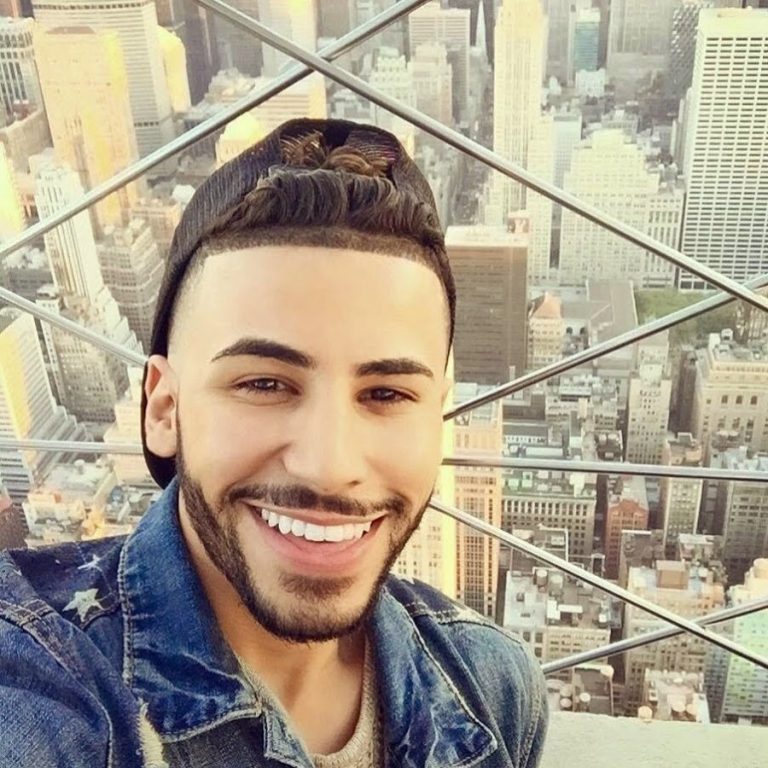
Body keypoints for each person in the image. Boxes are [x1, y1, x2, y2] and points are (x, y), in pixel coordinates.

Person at [0, 119, 547, 767]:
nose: (328, 465)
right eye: (264, 384)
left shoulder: (492, 686)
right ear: (164, 409)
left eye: (387, 393)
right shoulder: (41, 688)